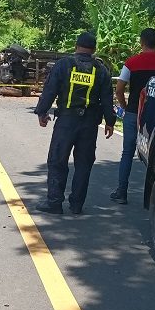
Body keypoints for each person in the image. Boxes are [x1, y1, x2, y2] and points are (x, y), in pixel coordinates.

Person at [33, 32, 116, 215]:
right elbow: (107, 100)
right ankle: (77, 205)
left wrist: (42, 111)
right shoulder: (101, 70)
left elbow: (50, 89)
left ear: (76, 46)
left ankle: (54, 202)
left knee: (57, 160)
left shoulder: (64, 65)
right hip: (90, 124)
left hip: (66, 122)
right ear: (93, 49)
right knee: (84, 164)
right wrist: (110, 122)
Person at [110, 28, 155, 205]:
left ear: (141, 42)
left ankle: (121, 192)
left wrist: (125, 107)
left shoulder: (131, 63)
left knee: (127, 152)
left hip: (134, 113)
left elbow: (119, 89)